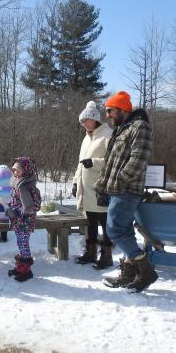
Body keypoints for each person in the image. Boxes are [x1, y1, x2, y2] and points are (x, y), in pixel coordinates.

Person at [94, 91, 158, 292]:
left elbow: (138, 159)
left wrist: (120, 181)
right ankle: (130, 273)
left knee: (114, 230)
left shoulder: (140, 127)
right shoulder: (121, 130)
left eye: (110, 111)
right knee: (125, 229)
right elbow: (111, 164)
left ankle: (146, 270)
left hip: (127, 189)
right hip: (116, 190)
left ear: (122, 109)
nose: (108, 115)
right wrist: (102, 187)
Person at [73, 101, 114, 269]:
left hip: (101, 189)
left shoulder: (108, 135)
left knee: (105, 224)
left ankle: (106, 256)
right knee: (90, 223)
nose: (83, 124)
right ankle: (90, 253)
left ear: (94, 119)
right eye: (82, 122)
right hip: (86, 189)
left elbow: (114, 162)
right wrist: (76, 181)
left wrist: (95, 163)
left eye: (86, 121)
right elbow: (80, 164)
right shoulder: (86, 138)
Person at [6, 157, 41, 282]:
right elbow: (13, 200)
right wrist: (9, 208)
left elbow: (36, 205)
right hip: (17, 220)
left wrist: (22, 211)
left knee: (24, 243)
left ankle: (26, 270)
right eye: (14, 171)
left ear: (26, 171)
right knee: (20, 243)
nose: (15, 173)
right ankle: (20, 267)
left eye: (18, 171)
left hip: (26, 221)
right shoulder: (16, 185)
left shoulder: (30, 187)